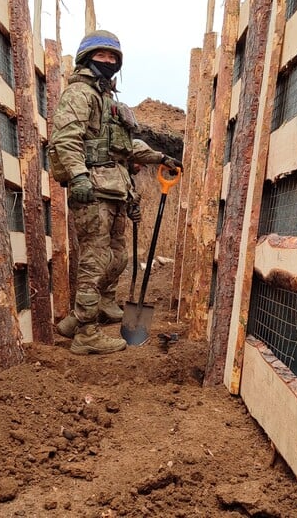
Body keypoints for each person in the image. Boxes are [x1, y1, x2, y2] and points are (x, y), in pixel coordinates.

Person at [50, 30, 183, 354]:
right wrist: (78, 176)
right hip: (93, 188)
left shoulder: (107, 98)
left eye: (113, 58)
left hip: (113, 189)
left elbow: (124, 146)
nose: (107, 61)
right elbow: (65, 140)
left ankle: (85, 315)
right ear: (86, 58)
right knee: (94, 261)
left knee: (118, 256)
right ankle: (86, 334)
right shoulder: (80, 93)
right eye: (101, 56)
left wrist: (158, 157)